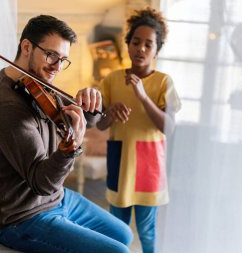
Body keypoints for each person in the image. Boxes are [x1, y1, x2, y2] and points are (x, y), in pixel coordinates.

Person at [0, 14, 133, 253]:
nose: (57, 68)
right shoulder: (5, 106)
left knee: (124, 234)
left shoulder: (36, 83)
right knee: (118, 251)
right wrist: (72, 147)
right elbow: (43, 183)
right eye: (51, 55)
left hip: (58, 200)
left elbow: (76, 116)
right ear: (27, 47)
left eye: (63, 60)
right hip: (23, 216)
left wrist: (90, 104)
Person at [96, 7, 181, 253]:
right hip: (120, 162)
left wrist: (143, 96)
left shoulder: (164, 82)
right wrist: (109, 113)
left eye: (148, 44)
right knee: (117, 229)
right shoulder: (111, 80)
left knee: (146, 230)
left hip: (149, 165)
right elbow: (100, 125)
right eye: (136, 42)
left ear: (157, 50)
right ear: (128, 44)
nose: (141, 49)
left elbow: (169, 127)